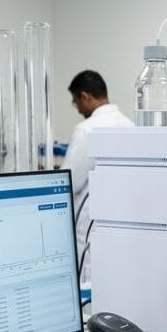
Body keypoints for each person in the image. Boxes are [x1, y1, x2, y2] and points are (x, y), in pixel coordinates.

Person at [62, 70, 133, 284]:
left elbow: (70, 182)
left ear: (85, 96)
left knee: (90, 290)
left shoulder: (86, 129)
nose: (79, 109)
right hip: (122, 223)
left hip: (90, 226)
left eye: (76, 103)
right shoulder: (130, 126)